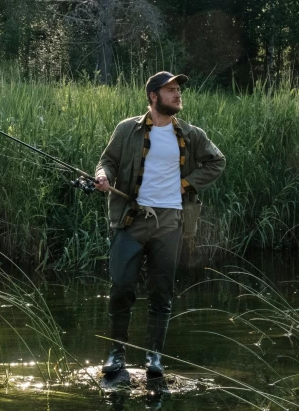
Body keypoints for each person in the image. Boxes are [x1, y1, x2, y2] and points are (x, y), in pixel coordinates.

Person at [94, 71, 225, 376]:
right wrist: (103, 177)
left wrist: (187, 183)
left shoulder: (191, 134)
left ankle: (154, 356)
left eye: (179, 89)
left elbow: (217, 162)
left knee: (161, 292)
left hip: (170, 222)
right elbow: (108, 161)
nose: (178, 95)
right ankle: (117, 353)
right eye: (171, 90)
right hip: (131, 219)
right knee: (122, 288)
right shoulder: (128, 129)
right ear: (153, 96)